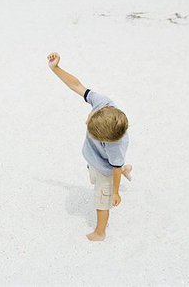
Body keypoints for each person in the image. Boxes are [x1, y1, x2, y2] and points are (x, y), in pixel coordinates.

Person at [47, 52, 133, 241]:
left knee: (102, 199)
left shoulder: (115, 146)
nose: (86, 125)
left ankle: (100, 233)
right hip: (94, 160)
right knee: (108, 170)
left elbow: (114, 166)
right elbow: (76, 85)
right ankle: (124, 168)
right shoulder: (102, 102)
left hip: (107, 169)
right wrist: (56, 68)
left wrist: (116, 192)